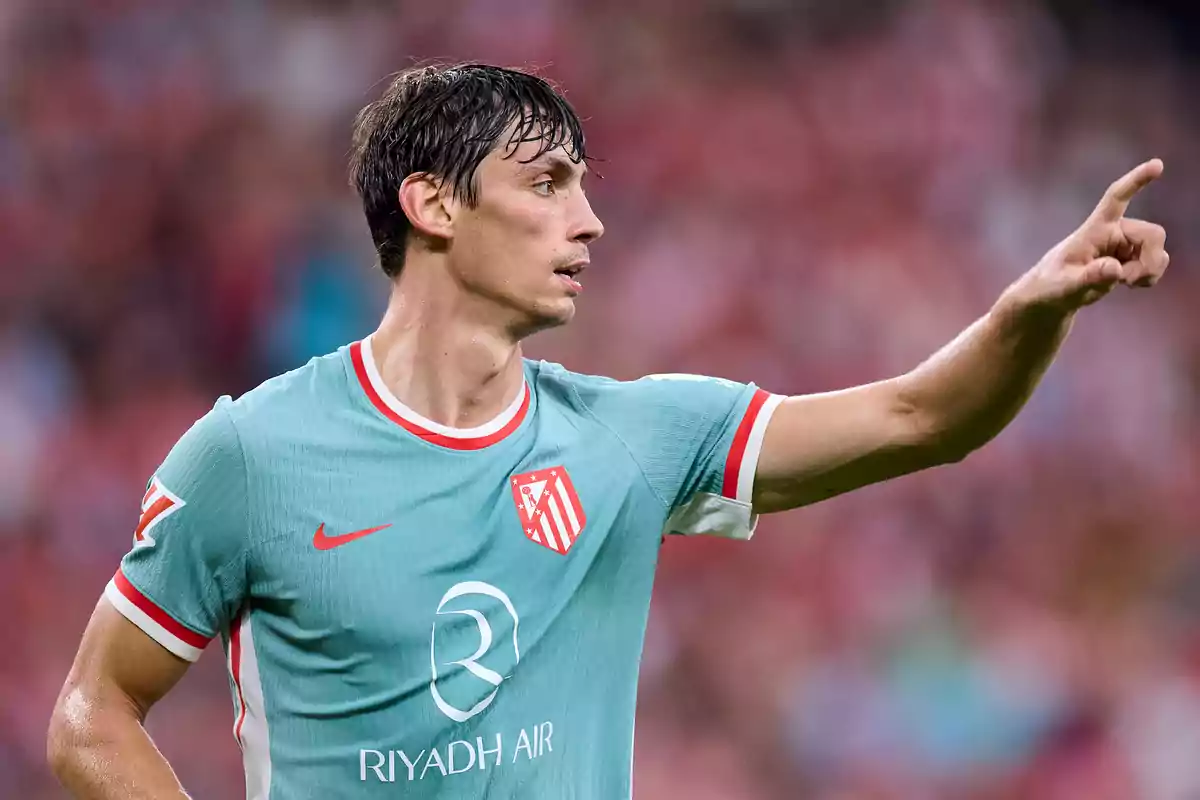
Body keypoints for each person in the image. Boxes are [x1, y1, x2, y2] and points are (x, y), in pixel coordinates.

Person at [46, 63, 1169, 799]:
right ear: (434, 204)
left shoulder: (633, 435)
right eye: (546, 182)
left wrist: (1031, 310)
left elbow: (925, 415)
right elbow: (93, 715)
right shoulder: (252, 455)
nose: (589, 219)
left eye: (586, 184)